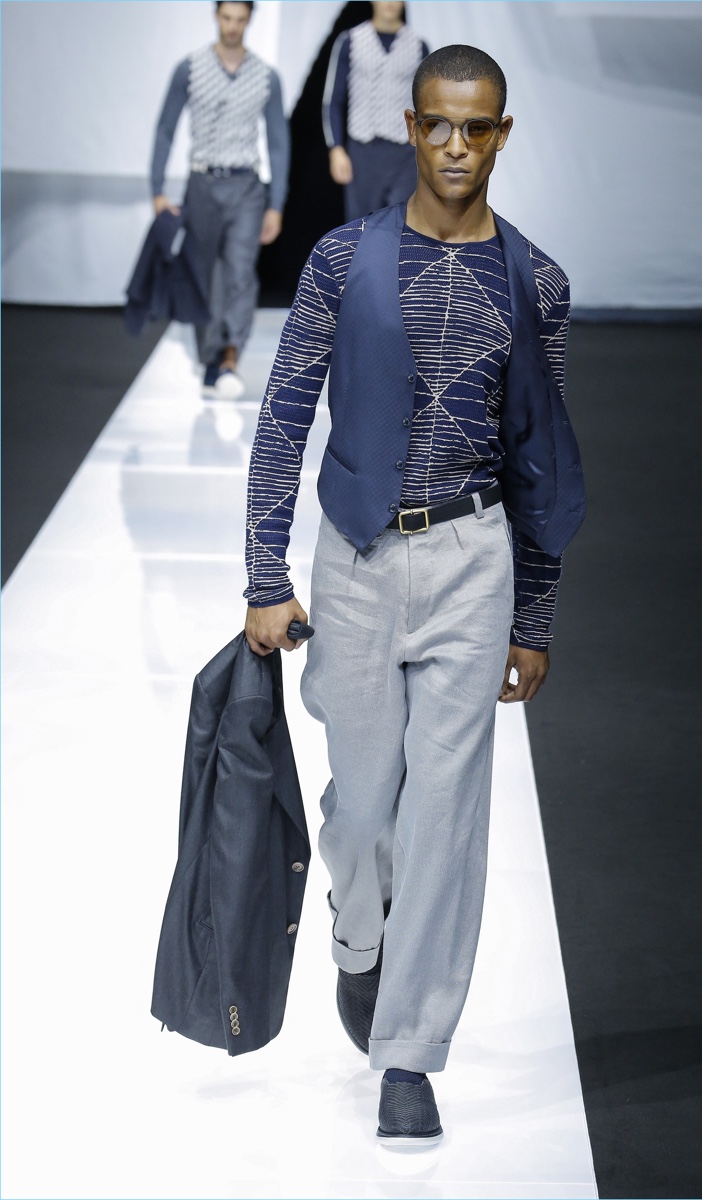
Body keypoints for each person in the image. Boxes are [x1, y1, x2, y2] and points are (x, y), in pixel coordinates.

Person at [244, 45, 585, 1144]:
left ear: (501, 134)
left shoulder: (536, 282)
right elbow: (284, 415)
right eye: (436, 123)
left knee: (446, 816)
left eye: (475, 128)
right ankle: (360, 938)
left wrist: (533, 615)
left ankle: (409, 1051)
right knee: (361, 807)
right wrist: (264, 574)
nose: (453, 145)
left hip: (472, 559)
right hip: (353, 561)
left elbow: (540, 459)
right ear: (411, 124)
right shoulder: (342, 260)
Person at [150, 0, 289, 399]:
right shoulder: (190, 68)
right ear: (216, 16)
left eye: (240, 19)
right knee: (204, 272)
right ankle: (211, 356)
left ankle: (230, 355)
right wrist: (157, 189)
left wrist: (276, 203)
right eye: (227, 17)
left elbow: (278, 143)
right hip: (202, 183)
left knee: (241, 272)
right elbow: (165, 128)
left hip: (247, 185)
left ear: (249, 20)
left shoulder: (266, 77)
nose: (232, 26)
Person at [323, 2, 428, 222]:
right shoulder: (350, 41)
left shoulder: (419, 46)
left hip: (405, 155)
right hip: (363, 153)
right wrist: (336, 149)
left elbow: (428, 105)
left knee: (402, 225)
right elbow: (333, 99)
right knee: (362, 227)